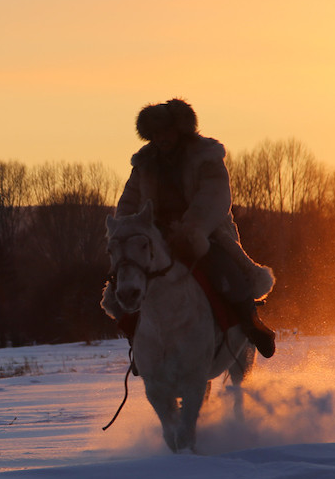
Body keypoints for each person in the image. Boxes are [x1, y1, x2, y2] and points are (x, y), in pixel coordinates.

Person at [102, 98, 277, 357]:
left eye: (166, 131)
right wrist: (126, 232)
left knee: (226, 271)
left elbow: (214, 197)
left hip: (205, 230)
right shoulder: (145, 163)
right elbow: (129, 201)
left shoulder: (205, 156)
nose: (161, 138)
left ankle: (252, 325)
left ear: (180, 129)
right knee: (125, 280)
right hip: (155, 235)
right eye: (156, 133)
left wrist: (190, 230)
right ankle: (139, 343)